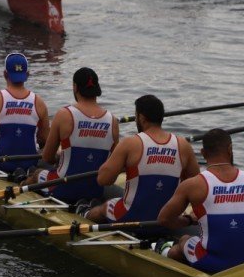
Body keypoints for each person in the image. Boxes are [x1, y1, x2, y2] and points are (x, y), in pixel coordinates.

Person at [158, 129, 244, 272]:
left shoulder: (193, 185)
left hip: (210, 262)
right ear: (230, 149)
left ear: (203, 153)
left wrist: (189, 220)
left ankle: (164, 251)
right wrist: (240, 227)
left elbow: (164, 219)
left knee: (184, 239)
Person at [84, 95, 200, 223]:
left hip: (131, 217)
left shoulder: (130, 143)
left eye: (136, 116)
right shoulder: (183, 145)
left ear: (141, 118)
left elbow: (103, 180)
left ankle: (83, 214)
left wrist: (123, 165)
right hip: (166, 219)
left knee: (106, 206)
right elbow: (198, 185)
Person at [31, 68, 118, 206]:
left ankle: (22, 185)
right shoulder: (113, 121)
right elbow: (114, 165)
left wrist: (60, 157)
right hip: (94, 191)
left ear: (75, 87)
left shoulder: (64, 114)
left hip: (62, 188)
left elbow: (47, 157)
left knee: (37, 174)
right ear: (97, 88)